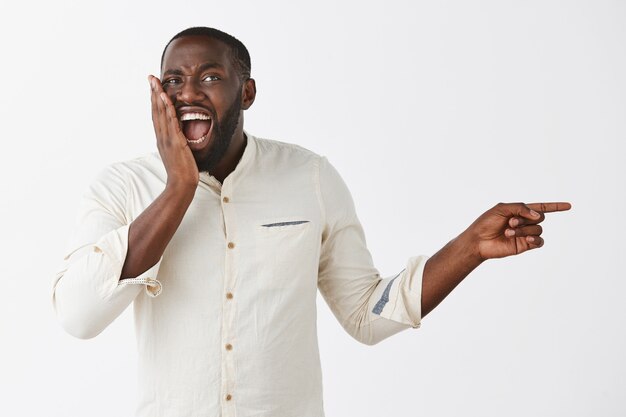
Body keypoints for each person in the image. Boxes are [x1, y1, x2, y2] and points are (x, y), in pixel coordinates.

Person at [52, 27, 571, 417]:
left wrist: (470, 248)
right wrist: (178, 190)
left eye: (210, 76)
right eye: (173, 80)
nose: (188, 92)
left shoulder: (310, 177)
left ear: (247, 92)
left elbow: (367, 314)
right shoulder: (122, 187)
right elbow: (78, 316)